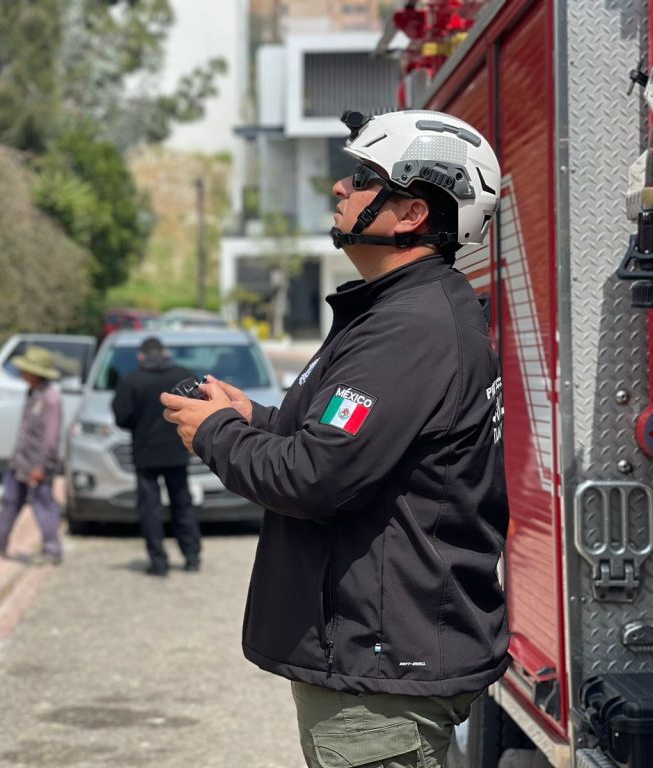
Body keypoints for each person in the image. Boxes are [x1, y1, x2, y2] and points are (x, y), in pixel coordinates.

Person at [161, 109, 510, 768]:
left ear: (408, 214)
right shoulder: (399, 312)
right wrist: (252, 418)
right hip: (380, 657)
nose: (339, 191)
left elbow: (316, 477)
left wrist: (216, 434)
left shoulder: (409, 327)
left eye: (360, 178)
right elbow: (351, 439)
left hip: (380, 664)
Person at [112, 336, 201, 576]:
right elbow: (200, 406)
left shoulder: (131, 381)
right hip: (178, 451)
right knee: (182, 503)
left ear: (141, 356)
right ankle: (192, 556)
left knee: (149, 509)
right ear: (164, 352)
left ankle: (158, 562)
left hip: (145, 454)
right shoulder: (183, 376)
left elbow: (122, 418)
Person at [0, 346, 64, 564]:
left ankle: (51, 549)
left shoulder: (50, 398)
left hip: (38, 464)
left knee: (43, 504)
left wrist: (41, 465)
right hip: (20, 461)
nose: (22, 373)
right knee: (9, 501)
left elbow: (50, 437)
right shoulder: (32, 393)